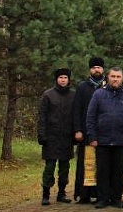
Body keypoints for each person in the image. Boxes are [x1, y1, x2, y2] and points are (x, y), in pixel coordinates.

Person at [86, 67, 123, 209]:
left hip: (121, 141)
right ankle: (102, 198)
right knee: (103, 171)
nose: (115, 79)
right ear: (108, 77)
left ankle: (116, 198)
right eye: (113, 76)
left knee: (118, 172)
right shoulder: (98, 94)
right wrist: (92, 137)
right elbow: (90, 117)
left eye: (118, 76)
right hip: (102, 141)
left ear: (122, 78)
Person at [38, 67, 76, 206]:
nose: (63, 80)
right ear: (56, 79)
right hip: (51, 137)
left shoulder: (73, 95)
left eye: (65, 78)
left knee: (64, 168)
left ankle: (61, 193)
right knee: (49, 167)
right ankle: (46, 194)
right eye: (61, 78)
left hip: (67, 138)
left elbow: (76, 115)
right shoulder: (47, 95)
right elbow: (42, 116)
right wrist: (41, 135)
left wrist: (76, 133)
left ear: (68, 79)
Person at [73, 56, 105, 203]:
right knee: (86, 164)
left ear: (103, 69)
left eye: (99, 67)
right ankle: (84, 194)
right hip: (86, 133)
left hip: (104, 133)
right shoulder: (82, 87)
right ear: (90, 70)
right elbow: (76, 110)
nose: (96, 70)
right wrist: (77, 129)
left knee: (102, 164)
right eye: (94, 68)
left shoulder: (107, 86)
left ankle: (100, 194)